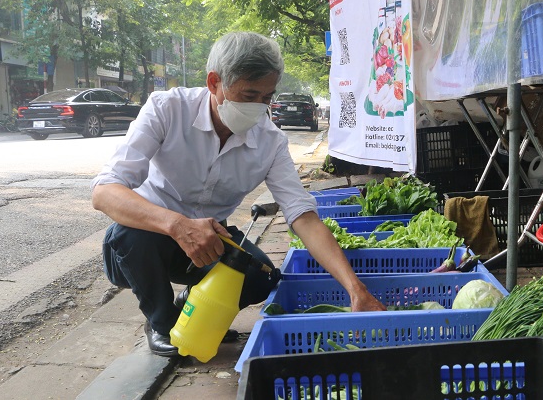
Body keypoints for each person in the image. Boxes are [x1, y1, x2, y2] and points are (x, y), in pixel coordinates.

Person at [91, 31, 386, 357]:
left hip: (207, 242)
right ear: (214, 82)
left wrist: (355, 289)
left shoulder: (269, 141)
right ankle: (162, 324)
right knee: (133, 234)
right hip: (144, 243)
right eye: (249, 94)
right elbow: (105, 192)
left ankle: (190, 304)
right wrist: (176, 224)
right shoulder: (168, 110)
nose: (259, 107)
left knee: (260, 277)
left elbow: (302, 215)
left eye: (267, 96)